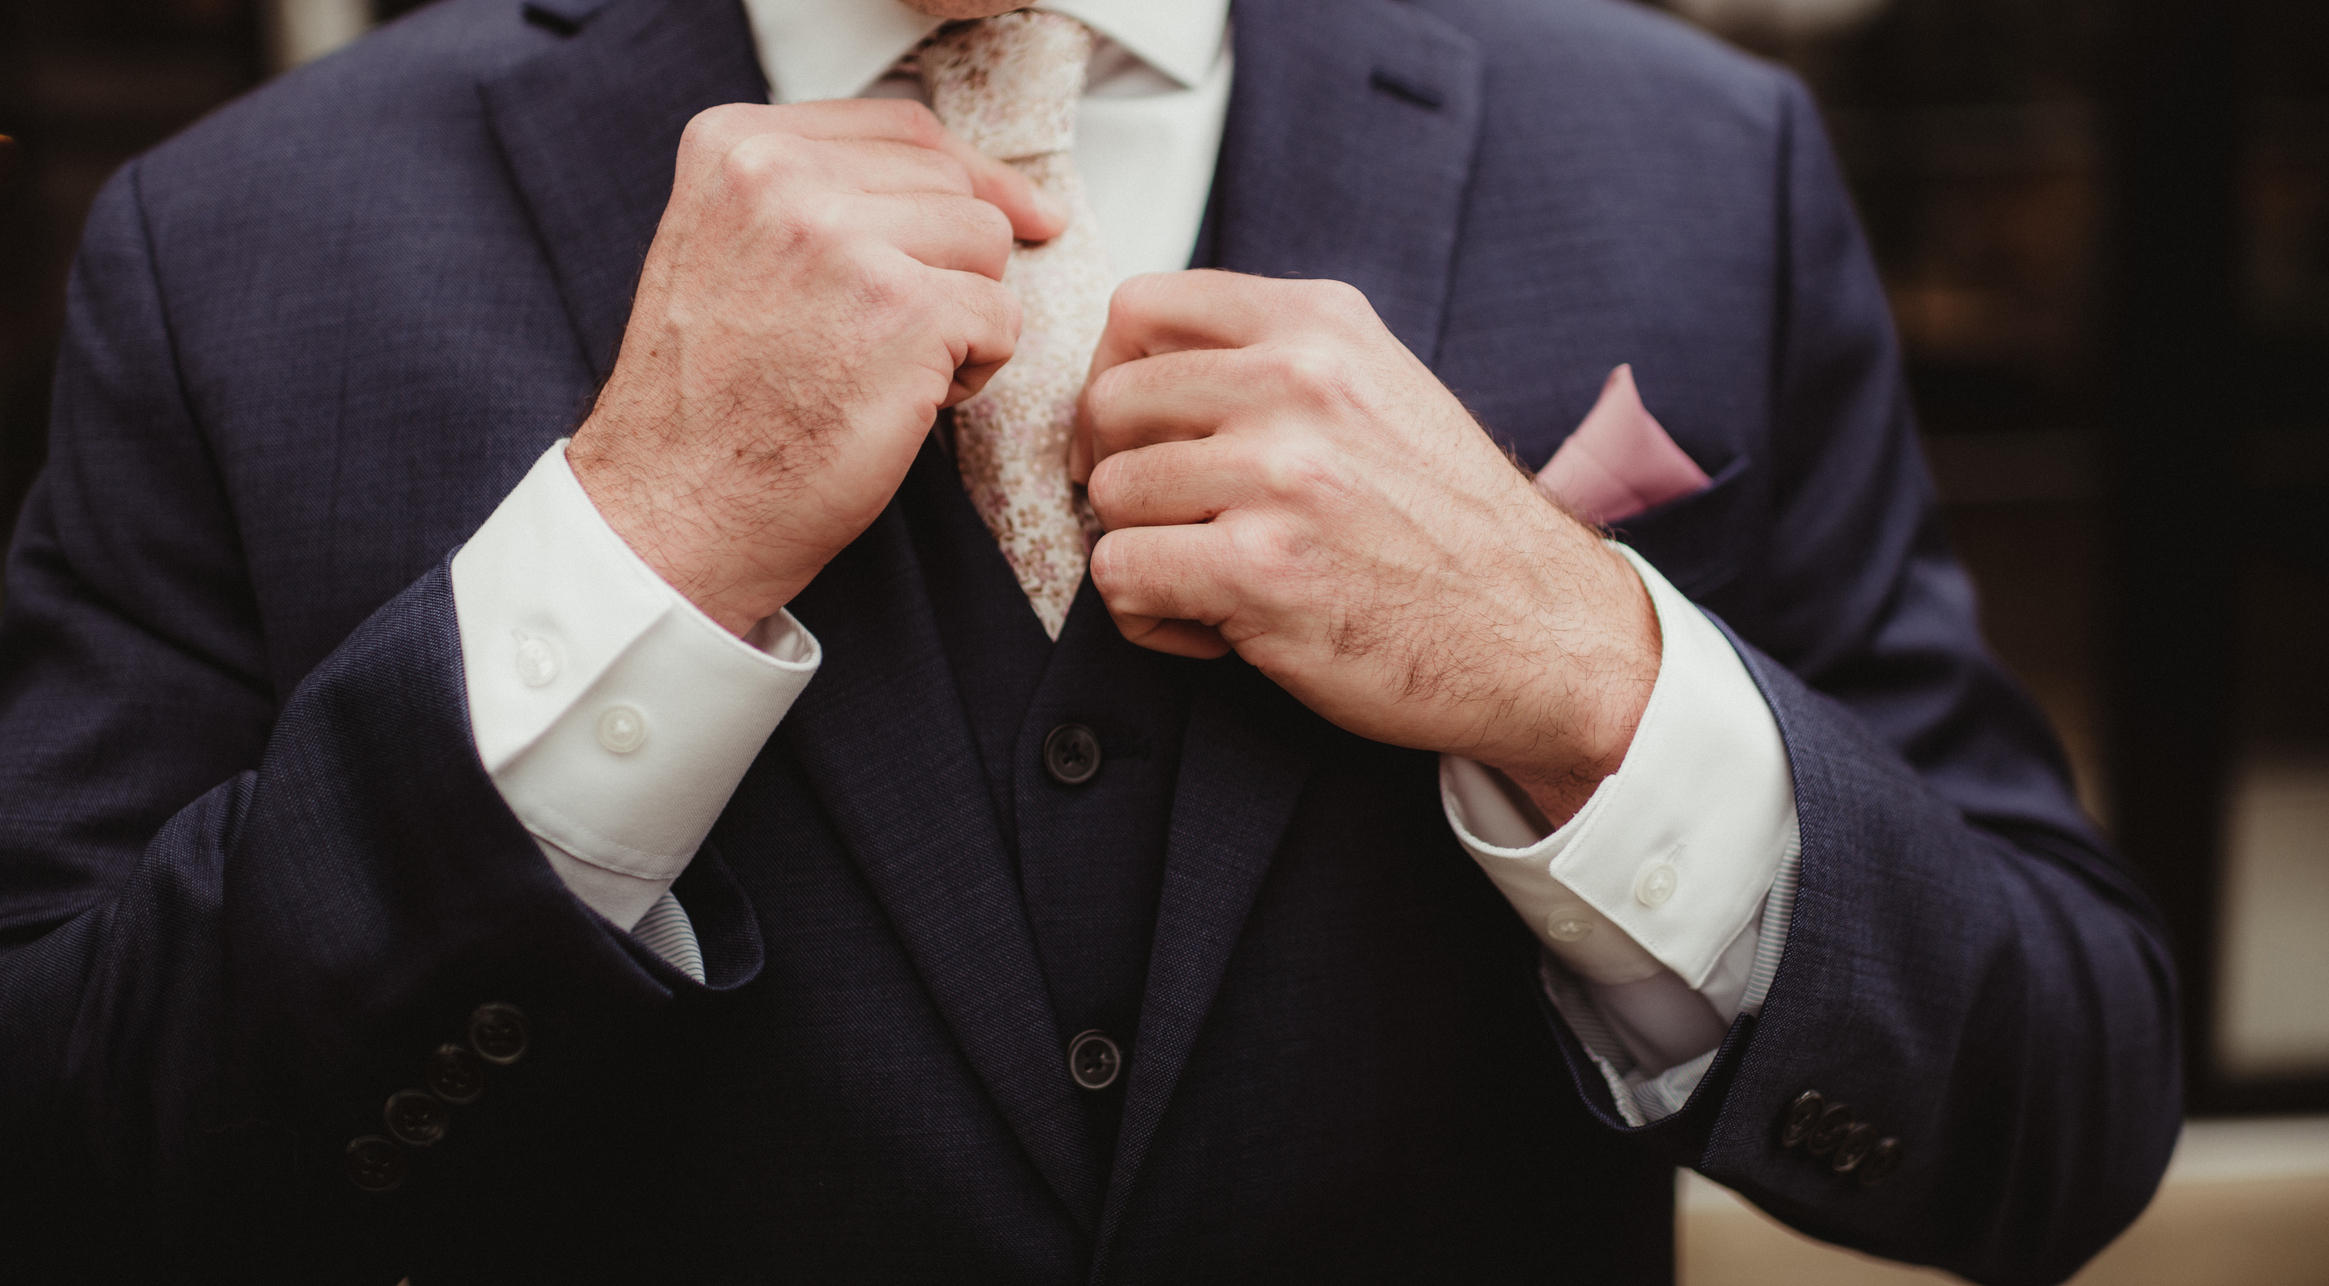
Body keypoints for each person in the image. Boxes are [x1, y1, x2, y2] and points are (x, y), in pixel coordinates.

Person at [0, 0, 2179, 1282]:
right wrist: (631, 545)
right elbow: (74, 1148)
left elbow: (2054, 1101)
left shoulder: (1696, 160)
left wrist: (1589, 675)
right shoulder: (240, 238)